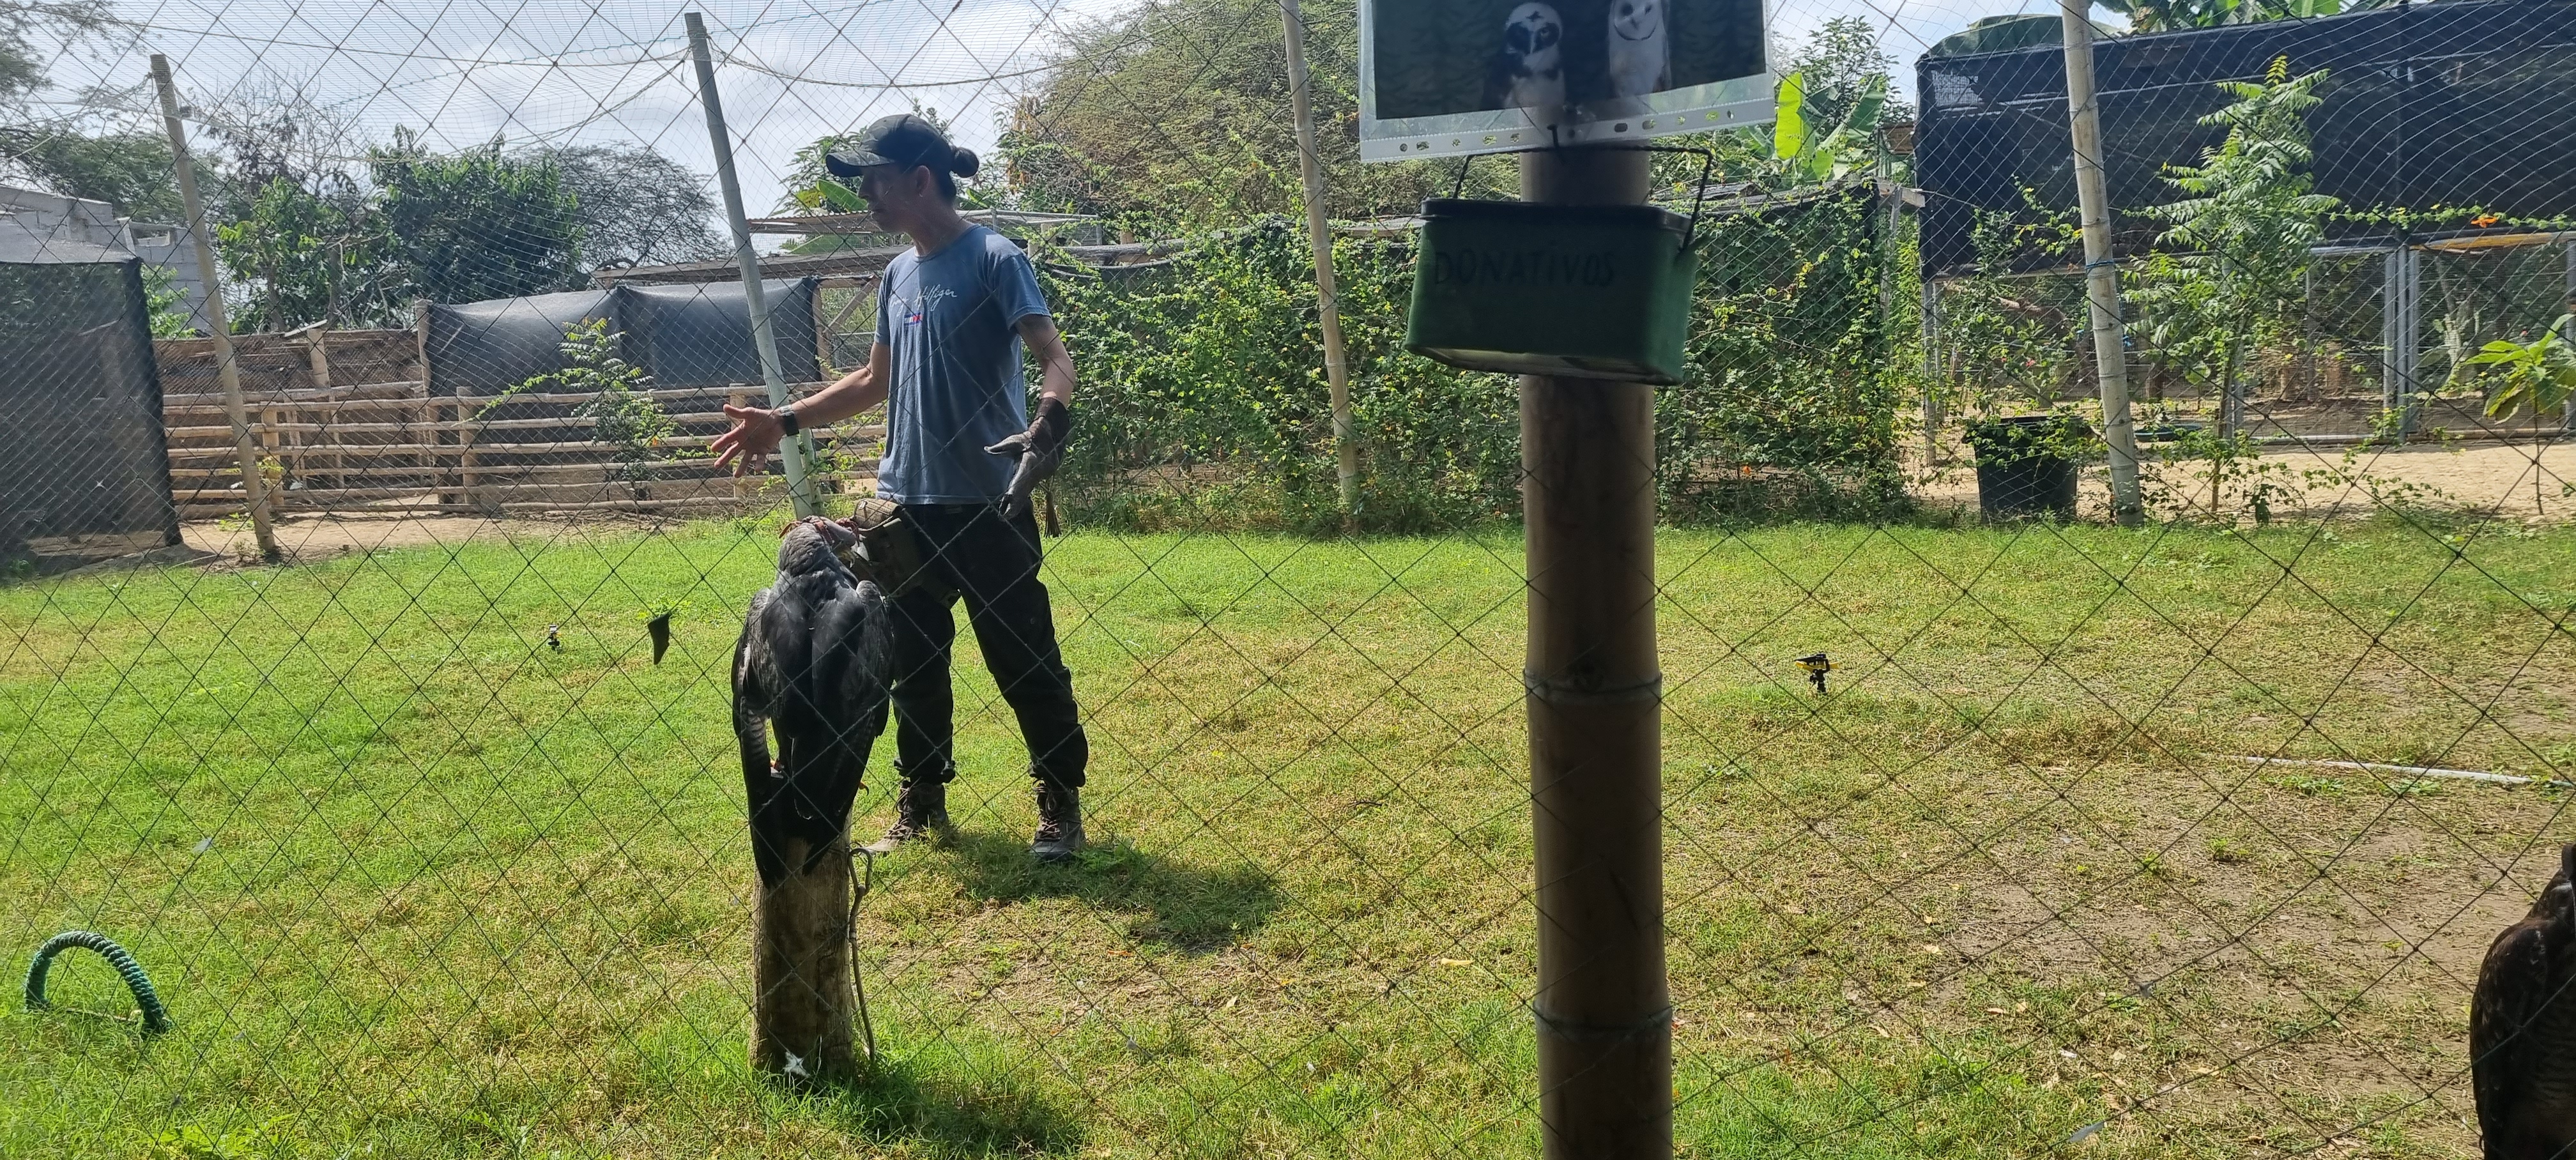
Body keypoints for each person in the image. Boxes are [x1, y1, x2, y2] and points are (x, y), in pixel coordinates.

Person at [711, 114, 1089, 863]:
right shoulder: (897, 274)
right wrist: (784, 421)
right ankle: (922, 796)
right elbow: (872, 379)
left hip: (990, 504)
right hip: (904, 508)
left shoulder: (994, 258)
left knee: (1024, 658)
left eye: (874, 181)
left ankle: (1059, 799)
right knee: (911, 664)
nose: (866, 197)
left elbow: (1056, 358)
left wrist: (1048, 422)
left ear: (919, 179)